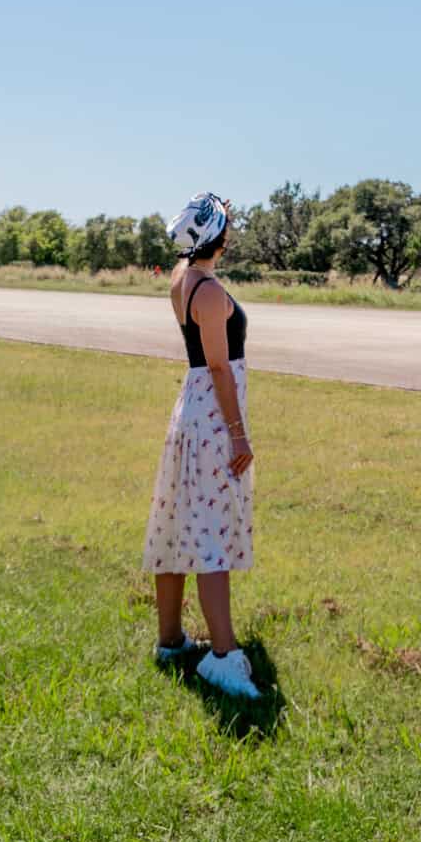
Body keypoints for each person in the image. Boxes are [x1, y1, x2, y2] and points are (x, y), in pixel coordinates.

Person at [142, 190, 260, 698]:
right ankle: (223, 657)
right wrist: (238, 432)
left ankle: (170, 641)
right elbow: (218, 367)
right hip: (212, 413)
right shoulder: (209, 293)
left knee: (176, 522)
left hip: (190, 409)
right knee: (212, 531)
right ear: (217, 237)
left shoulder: (180, 278)